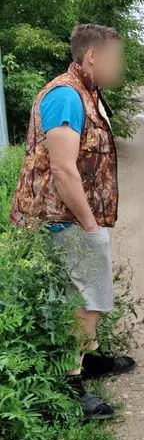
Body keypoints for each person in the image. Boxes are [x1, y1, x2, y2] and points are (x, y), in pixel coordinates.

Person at [10, 24, 135, 419]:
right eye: (114, 58)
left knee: (86, 294)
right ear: (92, 56)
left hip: (74, 220)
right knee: (79, 300)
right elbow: (63, 171)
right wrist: (90, 225)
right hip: (62, 220)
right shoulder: (66, 95)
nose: (119, 67)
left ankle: (89, 358)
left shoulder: (87, 92)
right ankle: (71, 385)